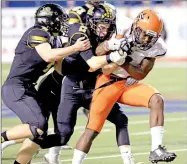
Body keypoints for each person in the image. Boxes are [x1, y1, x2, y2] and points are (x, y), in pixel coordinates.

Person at [73, 9, 177, 164]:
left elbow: (140, 74)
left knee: (157, 100)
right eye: (145, 34)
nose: (148, 39)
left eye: (152, 36)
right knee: (92, 130)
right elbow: (100, 55)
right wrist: (113, 45)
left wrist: (123, 62)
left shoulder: (157, 46)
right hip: (107, 82)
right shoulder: (122, 26)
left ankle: (156, 149)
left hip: (127, 83)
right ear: (136, 26)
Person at [1, 3, 90, 164]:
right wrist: (74, 47)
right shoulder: (37, 33)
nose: (64, 23)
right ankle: (1, 139)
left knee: (39, 135)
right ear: (50, 20)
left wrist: (77, 54)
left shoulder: (54, 39)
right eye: (61, 20)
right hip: (15, 87)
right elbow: (48, 56)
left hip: (28, 88)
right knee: (38, 125)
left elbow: (59, 69)